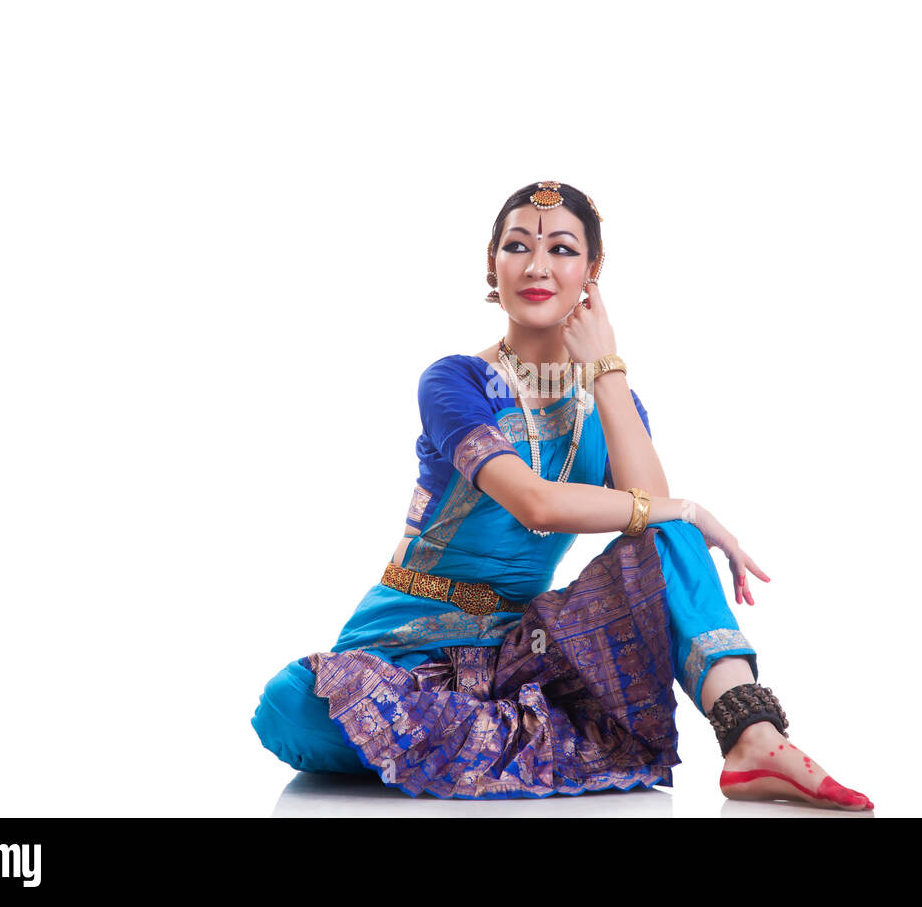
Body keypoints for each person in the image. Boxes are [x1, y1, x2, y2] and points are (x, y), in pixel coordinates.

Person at [251, 180, 872, 809]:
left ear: (592, 271)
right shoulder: (457, 382)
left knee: (671, 534)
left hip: (522, 651)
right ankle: (496, 739)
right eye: (518, 245)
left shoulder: (611, 401)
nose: (538, 266)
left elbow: (654, 526)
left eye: (563, 249)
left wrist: (608, 371)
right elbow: (535, 503)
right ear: (492, 264)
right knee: (290, 705)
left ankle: (752, 738)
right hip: (407, 649)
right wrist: (687, 506)